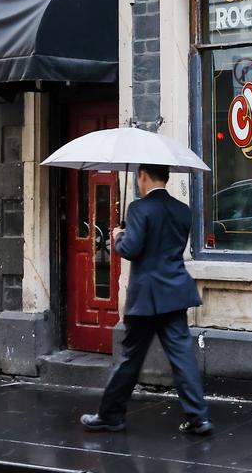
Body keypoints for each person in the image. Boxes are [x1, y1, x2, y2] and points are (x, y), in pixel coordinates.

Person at [80, 163, 212, 435]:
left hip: (146, 298)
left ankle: (111, 415)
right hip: (175, 293)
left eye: (139, 178)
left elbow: (131, 249)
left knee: (130, 358)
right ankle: (199, 418)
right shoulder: (182, 210)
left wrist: (118, 236)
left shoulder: (139, 209)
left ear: (142, 176)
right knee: (182, 356)